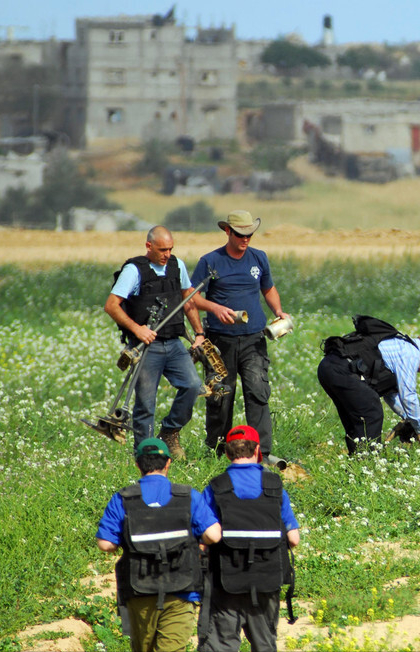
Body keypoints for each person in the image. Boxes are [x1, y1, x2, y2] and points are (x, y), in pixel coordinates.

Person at [96, 438, 221, 652]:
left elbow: (106, 544)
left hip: (139, 589)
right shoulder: (187, 495)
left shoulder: (123, 499)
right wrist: (199, 543)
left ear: (138, 465)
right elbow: (214, 535)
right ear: (168, 463)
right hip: (182, 588)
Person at [191, 210, 290, 465]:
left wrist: (278, 311)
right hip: (219, 341)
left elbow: (268, 288)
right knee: (220, 396)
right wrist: (214, 308)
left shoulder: (259, 258)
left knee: (258, 392)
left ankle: (262, 453)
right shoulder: (210, 261)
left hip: (254, 339)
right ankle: (216, 451)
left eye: (250, 234)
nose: (246, 239)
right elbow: (191, 298)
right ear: (228, 232)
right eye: (240, 234)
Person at [105, 225, 205, 456]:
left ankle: (169, 432)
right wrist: (137, 329)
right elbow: (111, 305)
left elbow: (187, 299)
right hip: (145, 347)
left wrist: (198, 333)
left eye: (170, 249)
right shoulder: (134, 270)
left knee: (192, 386)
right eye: (162, 250)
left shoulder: (176, 265)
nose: (167, 254)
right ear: (148, 246)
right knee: (145, 405)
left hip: (173, 343)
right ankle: (146, 454)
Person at [199, 425, 300, 652]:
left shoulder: (216, 487)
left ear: (226, 453)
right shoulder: (275, 486)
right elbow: (293, 539)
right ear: (257, 452)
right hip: (267, 580)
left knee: (219, 645)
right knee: (265, 645)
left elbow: (205, 537)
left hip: (225, 580)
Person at [317, 319, 420, 454]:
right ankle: (367, 463)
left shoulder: (401, 345)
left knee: (358, 418)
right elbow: (408, 396)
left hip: (328, 367)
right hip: (342, 369)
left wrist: (409, 419)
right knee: (371, 411)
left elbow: (391, 394)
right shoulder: (410, 354)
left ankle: (358, 462)